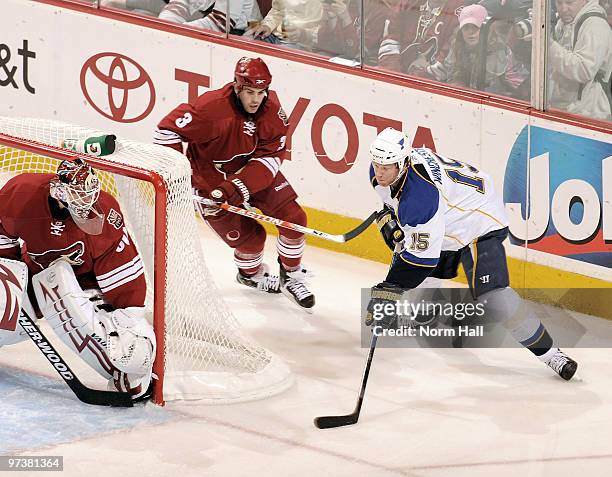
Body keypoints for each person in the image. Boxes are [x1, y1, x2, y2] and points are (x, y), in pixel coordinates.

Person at [365, 127, 578, 380]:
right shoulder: (383, 174)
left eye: (386, 166)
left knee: (494, 296)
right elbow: (397, 205)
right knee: (420, 252)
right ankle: (427, 311)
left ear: (403, 163)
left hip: (478, 218)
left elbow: (422, 260)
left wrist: (389, 289)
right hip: (448, 211)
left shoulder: (421, 199)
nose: (379, 171)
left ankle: (551, 354)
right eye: (377, 164)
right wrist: (390, 217)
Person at [154, 57, 315, 310]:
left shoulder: (272, 111)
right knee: (252, 239)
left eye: (261, 93)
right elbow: (166, 130)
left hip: (250, 171)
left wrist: (234, 188)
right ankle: (250, 275)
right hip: (208, 178)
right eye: (250, 92)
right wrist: (177, 178)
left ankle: (291, 276)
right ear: (237, 87)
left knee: (294, 219)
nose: (255, 99)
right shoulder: (209, 108)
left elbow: (271, 159)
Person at [0, 159, 155, 399]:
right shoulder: (21, 193)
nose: (86, 205)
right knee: (4, 313)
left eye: (89, 196)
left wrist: (128, 319)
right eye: (79, 197)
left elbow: (125, 273)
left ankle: (121, 370)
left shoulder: (106, 213)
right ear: (59, 190)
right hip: (34, 269)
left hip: (89, 283)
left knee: (130, 352)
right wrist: (9, 276)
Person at [441, 4, 528, 98]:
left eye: (475, 27)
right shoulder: (457, 45)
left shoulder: (499, 52)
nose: (471, 33)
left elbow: (519, 84)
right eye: (466, 28)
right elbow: (452, 75)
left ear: (485, 29)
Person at [548, 0, 612, 120]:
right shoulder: (564, 23)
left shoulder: (595, 26)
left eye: (569, 2)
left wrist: (548, 45)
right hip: (565, 108)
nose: (563, 8)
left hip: (589, 114)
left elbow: (584, 70)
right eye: (559, 3)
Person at [378, 0, 463, 80]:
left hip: (429, 85)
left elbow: (446, 63)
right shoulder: (407, 3)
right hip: (396, 72)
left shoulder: (459, 12)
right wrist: (393, 72)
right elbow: (390, 39)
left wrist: (416, 78)